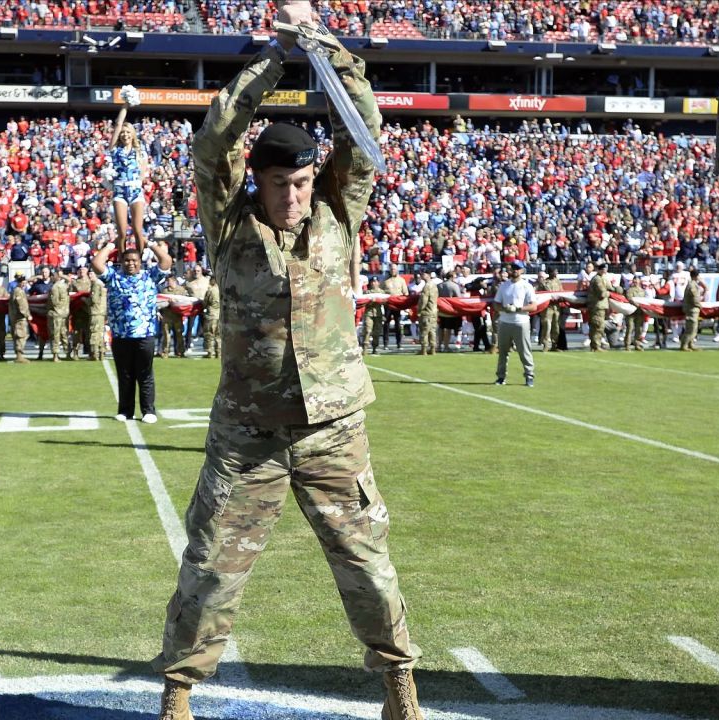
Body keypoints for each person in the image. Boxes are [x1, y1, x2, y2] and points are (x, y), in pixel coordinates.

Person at [150, 5, 424, 720]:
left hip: (333, 427)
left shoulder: (340, 210)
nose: (294, 197)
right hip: (249, 437)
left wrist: (319, 41)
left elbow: (363, 120)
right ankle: (178, 692)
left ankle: (400, 684)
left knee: (367, 565)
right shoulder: (229, 222)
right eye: (280, 184)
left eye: (302, 182)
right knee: (211, 567)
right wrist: (275, 57)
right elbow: (214, 141)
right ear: (258, 181)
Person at [91, 237, 172, 423]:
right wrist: (112, 243)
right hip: (121, 334)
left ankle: (149, 411)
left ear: (140, 262)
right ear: (121, 261)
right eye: (127, 260)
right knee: (125, 374)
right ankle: (126, 411)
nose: (131, 263)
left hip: (145, 334)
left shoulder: (150, 276)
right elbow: (96, 263)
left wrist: (148, 242)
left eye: (134, 260)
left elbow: (166, 261)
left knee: (145, 374)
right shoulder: (114, 277)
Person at [109, 93, 151, 249]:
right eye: (122, 133)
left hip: (135, 191)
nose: (125, 134)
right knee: (122, 232)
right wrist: (125, 105)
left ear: (132, 134)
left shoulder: (140, 152)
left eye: (128, 132)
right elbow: (119, 123)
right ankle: (122, 261)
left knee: (138, 231)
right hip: (119, 191)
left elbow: (141, 175)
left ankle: (138, 261)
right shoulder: (114, 149)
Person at [494, 260, 537, 385]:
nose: (514, 270)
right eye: (513, 268)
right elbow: (496, 303)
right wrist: (504, 308)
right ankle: (501, 376)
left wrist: (518, 308)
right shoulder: (504, 285)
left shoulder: (526, 286)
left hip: (521, 322)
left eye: (517, 268)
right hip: (505, 321)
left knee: (524, 351)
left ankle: (529, 376)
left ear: (522, 271)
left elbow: (533, 306)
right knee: (503, 352)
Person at [586, 263, 620, 351]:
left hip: (601, 306)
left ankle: (595, 345)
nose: (605, 271)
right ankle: (596, 346)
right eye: (604, 269)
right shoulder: (597, 279)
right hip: (597, 306)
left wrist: (616, 289)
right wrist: (610, 293)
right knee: (598, 326)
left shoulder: (603, 278)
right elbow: (602, 294)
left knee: (597, 326)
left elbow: (610, 287)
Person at [382, 263, 408, 350]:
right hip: (388, 304)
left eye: (394, 269)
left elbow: (405, 292)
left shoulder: (401, 280)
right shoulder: (385, 280)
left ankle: (399, 343)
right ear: (389, 270)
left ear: (397, 270)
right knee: (386, 324)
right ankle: (385, 344)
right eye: (392, 269)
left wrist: (405, 304)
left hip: (397, 304)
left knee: (398, 324)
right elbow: (380, 291)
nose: (393, 270)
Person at [679, 267, 706, 351]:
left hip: (693, 309)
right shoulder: (692, 285)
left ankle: (690, 343)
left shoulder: (693, 285)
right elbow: (694, 298)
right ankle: (684, 344)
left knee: (694, 328)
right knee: (691, 328)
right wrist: (700, 305)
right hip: (692, 309)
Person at [71, 265, 94, 359]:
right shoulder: (74, 283)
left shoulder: (91, 282)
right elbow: (71, 295)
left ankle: (90, 352)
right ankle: (75, 352)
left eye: (83, 270)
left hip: (88, 311)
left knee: (89, 332)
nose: (82, 271)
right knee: (77, 332)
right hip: (78, 311)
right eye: (80, 270)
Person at [8, 274, 31, 364]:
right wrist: (27, 314)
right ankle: (19, 355)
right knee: (20, 335)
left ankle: (19, 354)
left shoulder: (18, 291)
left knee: (20, 335)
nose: (24, 284)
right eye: (23, 282)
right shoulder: (19, 291)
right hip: (19, 318)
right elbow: (21, 305)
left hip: (16, 317)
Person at [48, 269, 71, 362]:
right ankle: (67, 353)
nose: (51, 277)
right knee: (63, 334)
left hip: (57, 314)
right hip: (63, 313)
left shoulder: (55, 287)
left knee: (56, 335)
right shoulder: (63, 286)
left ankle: (56, 354)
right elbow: (70, 281)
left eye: (53, 275)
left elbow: (54, 302)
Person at [536, 269, 561, 351]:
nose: (556, 273)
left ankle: (554, 345)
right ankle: (545, 344)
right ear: (550, 272)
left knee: (556, 327)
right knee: (547, 326)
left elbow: (561, 292)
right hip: (547, 308)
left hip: (556, 307)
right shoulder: (544, 283)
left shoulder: (558, 282)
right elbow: (539, 295)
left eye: (557, 271)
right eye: (555, 271)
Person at [623, 274, 649, 351]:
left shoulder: (643, 291)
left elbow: (645, 300)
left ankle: (637, 344)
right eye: (634, 280)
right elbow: (629, 298)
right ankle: (627, 344)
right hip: (631, 312)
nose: (636, 282)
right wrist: (638, 305)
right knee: (630, 328)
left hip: (639, 312)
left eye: (637, 280)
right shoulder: (629, 290)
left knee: (639, 329)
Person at [416, 270, 439, 355]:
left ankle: (424, 349)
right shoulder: (434, 285)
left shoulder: (427, 286)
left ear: (428, 275)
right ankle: (433, 349)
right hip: (434, 311)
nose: (422, 275)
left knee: (424, 331)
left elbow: (423, 300)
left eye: (423, 274)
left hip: (427, 312)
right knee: (432, 331)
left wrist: (419, 310)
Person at [88, 274, 107, 361]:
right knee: (100, 333)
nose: (89, 276)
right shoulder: (101, 284)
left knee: (94, 333)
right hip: (101, 311)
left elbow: (94, 299)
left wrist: (85, 300)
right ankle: (101, 352)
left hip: (96, 312)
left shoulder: (96, 284)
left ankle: (94, 354)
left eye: (91, 274)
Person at [201, 279, 220, 359]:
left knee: (209, 335)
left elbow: (205, 302)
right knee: (219, 336)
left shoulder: (211, 290)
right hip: (220, 315)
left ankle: (210, 352)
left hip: (211, 315)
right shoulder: (221, 290)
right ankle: (219, 353)